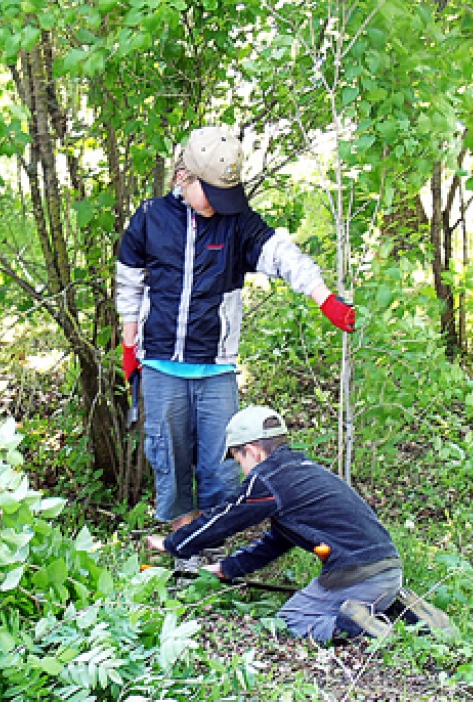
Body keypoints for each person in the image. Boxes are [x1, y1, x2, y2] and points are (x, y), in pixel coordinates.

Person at [116, 126, 356, 530]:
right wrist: (129, 344)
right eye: (210, 191)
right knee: (170, 464)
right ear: (182, 178)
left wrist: (324, 297)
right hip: (160, 366)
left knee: (223, 468)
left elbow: (283, 255)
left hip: (216, 370)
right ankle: (184, 552)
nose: (217, 203)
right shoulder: (150, 218)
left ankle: (214, 549)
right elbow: (129, 280)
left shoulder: (237, 223)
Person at [145, 405, 454, 642]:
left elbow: (226, 519)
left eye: (238, 460)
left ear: (251, 451)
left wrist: (175, 544)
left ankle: (360, 628)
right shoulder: (303, 472)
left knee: (291, 618)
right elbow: (276, 541)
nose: (241, 469)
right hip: (388, 570)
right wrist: (229, 569)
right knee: (346, 599)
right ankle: (402, 610)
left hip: (357, 574)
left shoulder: (268, 480)